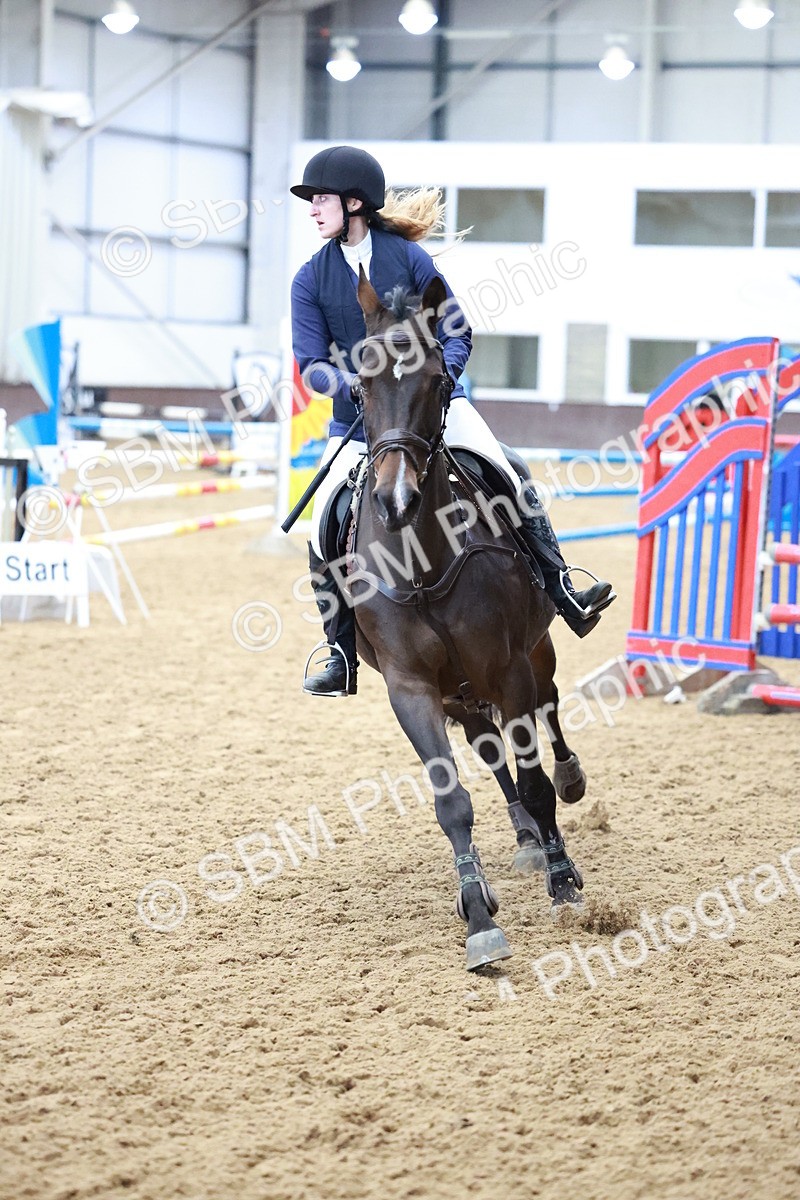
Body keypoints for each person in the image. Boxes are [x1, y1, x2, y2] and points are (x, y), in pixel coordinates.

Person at [290, 145, 614, 697]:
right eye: (313, 201)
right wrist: (354, 386)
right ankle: (340, 649)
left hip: (434, 408)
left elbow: (456, 330)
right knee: (324, 522)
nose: (313, 210)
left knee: (507, 470)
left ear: (354, 203)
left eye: (321, 200)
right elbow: (311, 364)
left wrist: (440, 381)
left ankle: (560, 584)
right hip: (359, 423)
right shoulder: (310, 278)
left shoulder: (408, 259)